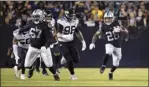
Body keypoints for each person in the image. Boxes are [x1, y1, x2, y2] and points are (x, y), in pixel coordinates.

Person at [18, 9, 60, 81]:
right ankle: (32, 69)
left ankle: (55, 74)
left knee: (49, 65)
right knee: (26, 65)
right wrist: (19, 31)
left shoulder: (46, 25)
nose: (35, 18)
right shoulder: (31, 22)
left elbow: (50, 39)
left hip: (43, 48)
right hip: (33, 47)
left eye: (37, 16)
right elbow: (25, 28)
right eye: (34, 16)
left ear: (41, 16)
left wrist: (45, 46)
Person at [89, 11, 128, 80]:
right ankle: (103, 66)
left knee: (116, 63)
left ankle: (110, 72)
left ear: (112, 18)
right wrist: (92, 42)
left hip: (118, 45)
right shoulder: (103, 26)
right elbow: (96, 35)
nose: (107, 20)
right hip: (109, 43)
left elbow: (125, 31)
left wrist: (120, 31)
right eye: (106, 18)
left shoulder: (117, 23)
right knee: (108, 52)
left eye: (109, 18)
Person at [56, 8, 86, 80]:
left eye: (73, 15)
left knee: (76, 60)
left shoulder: (75, 20)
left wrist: (83, 41)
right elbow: (57, 34)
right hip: (62, 42)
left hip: (71, 42)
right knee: (69, 60)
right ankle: (72, 75)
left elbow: (77, 32)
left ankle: (64, 57)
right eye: (70, 15)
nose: (72, 17)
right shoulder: (61, 21)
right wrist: (64, 36)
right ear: (66, 14)